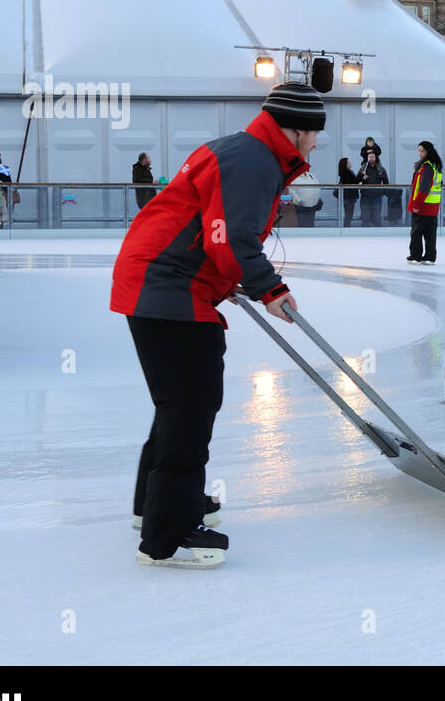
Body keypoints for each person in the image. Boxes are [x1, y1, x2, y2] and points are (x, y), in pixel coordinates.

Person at [110, 81, 322, 570]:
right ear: (295, 130)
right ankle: (169, 535)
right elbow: (231, 237)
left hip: (162, 282)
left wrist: (225, 280)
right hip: (168, 289)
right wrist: (269, 288)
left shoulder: (244, 150)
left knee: (177, 407)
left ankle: (155, 507)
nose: (316, 143)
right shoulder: (254, 160)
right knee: (190, 408)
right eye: (314, 133)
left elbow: (210, 227)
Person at [407, 140, 443, 264]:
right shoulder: (435, 166)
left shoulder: (427, 167)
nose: (420, 153)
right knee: (430, 234)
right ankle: (430, 257)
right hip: (433, 207)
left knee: (416, 232)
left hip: (423, 206)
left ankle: (415, 256)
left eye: (422, 151)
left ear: (428, 152)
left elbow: (424, 188)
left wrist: (416, 204)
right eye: (419, 151)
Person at [357, 147, 389, 226]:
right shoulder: (363, 169)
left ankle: (378, 231)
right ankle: (365, 231)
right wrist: (362, 176)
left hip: (377, 196)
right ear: (367, 158)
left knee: (377, 217)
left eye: (373, 157)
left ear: (376, 158)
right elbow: (357, 180)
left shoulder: (381, 169)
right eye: (370, 157)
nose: (371, 158)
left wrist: (382, 191)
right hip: (365, 196)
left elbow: (386, 182)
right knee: (365, 217)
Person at [335, 158, 359, 227]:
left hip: (349, 197)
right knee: (349, 214)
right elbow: (354, 182)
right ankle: (346, 226)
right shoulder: (346, 173)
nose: (350, 163)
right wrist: (361, 176)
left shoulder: (349, 172)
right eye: (348, 162)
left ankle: (346, 226)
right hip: (348, 197)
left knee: (349, 213)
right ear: (345, 164)